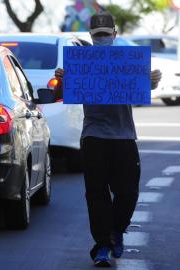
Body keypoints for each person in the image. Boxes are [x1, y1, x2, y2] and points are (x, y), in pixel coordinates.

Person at [54, 11, 162, 267]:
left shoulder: (128, 61)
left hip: (124, 136)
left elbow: (143, 88)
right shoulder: (83, 64)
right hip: (94, 136)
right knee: (96, 193)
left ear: (114, 34)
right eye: (97, 35)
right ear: (92, 37)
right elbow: (63, 93)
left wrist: (153, 81)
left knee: (128, 193)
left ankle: (116, 231)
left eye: (105, 34)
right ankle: (102, 244)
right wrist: (62, 81)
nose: (102, 38)